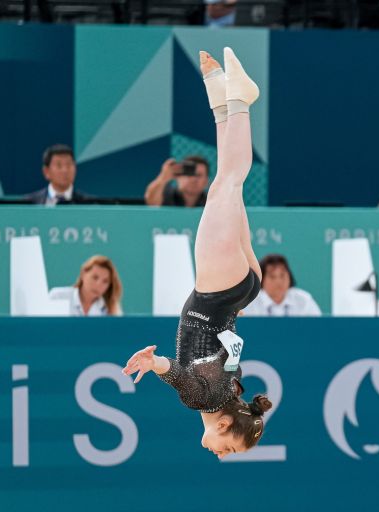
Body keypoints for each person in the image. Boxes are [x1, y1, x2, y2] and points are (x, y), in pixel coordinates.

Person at [124, 48, 272, 459]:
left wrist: (232, 307)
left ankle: (220, 96)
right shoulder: (203, 402)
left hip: (241, 292)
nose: (221, 454)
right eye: (229, 448)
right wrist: (149, 364)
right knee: (227, 182)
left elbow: (229, 345)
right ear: (224, 424)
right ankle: (240, 100)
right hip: (215, 293)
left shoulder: (231, 386)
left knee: (227, 188)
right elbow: (178, 376)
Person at [242, 254, 322, 316]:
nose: (278, 281)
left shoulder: (304, 300)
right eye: (272, 276)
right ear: (262, 279)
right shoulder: (250, 302)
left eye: (282, 275)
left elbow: (318, 327)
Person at [25, 145, 90, 206]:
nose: (65, 170)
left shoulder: (89, 204)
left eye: (69, 165)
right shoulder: (30, 203)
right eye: (59, 166)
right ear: (46, 171)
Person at [144, 155, 210, 207]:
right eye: (189, 174)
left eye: (198, 175)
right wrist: (163, 178)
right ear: (178, 176)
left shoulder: (212, 202)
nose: (193, 179)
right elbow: (151, 203)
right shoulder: (165, 196)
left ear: (206, 181)